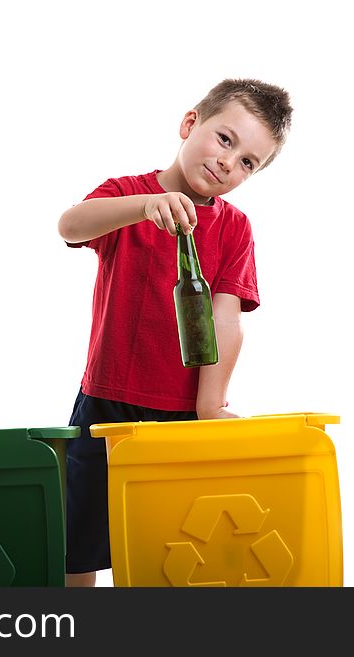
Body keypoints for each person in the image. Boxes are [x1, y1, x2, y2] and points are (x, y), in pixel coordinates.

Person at [57, 78, 293, 587]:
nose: (230, 163)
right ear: (191, 124)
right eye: (226, 140)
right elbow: (72, 226)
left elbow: (224, 319)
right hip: (105, 407)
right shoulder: (126, 195)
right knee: (79, 547)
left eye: (249, 162)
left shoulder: (233, 229)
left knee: (168, 549)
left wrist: (211, 404)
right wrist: (144, 206)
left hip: (182, 416)